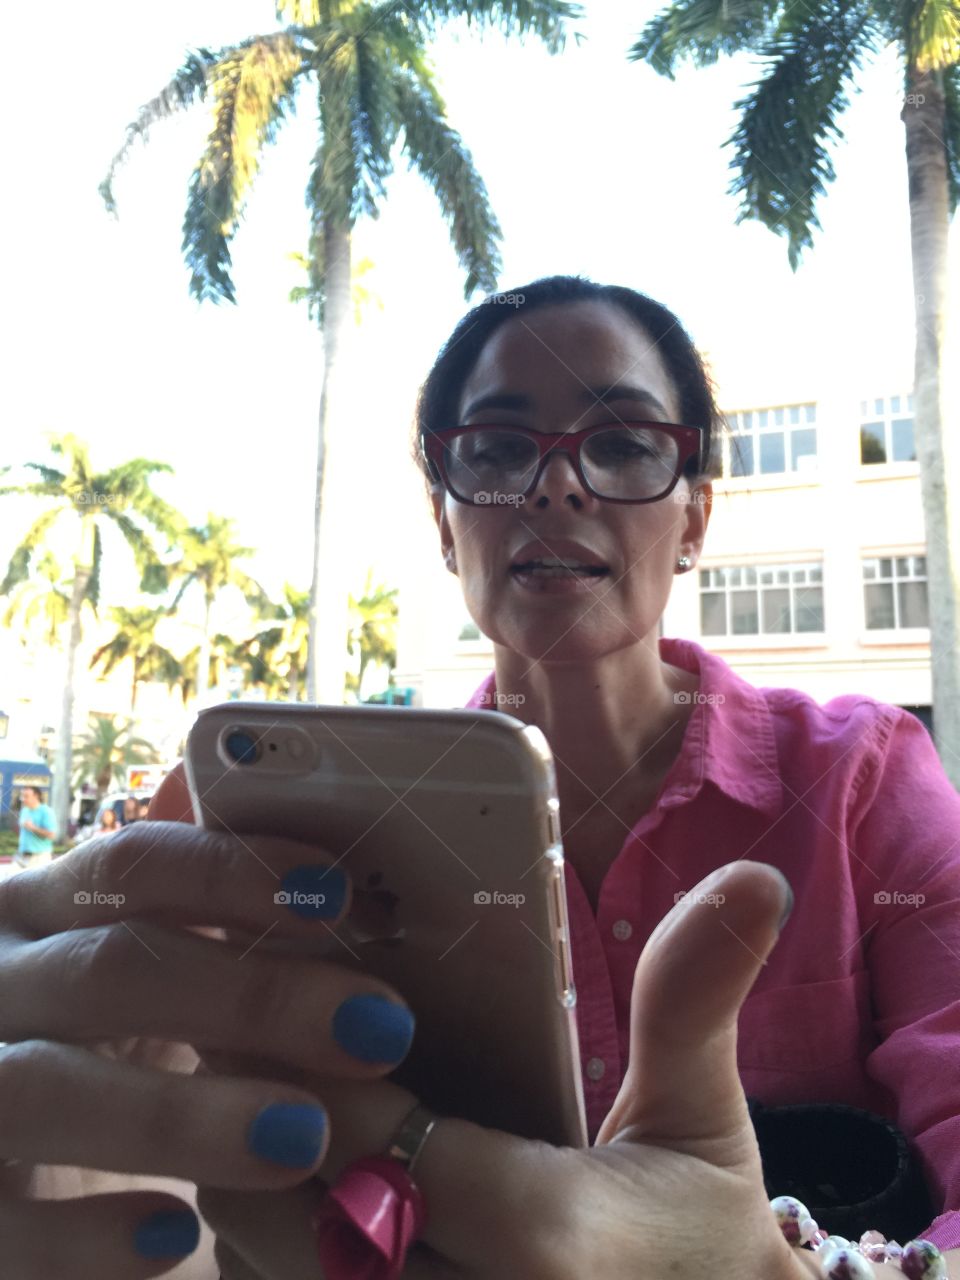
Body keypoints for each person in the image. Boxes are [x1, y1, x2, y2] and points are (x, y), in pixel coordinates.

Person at [0, 276, 957, 1280]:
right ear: (448, 522)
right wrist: (89, 1170)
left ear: (694, 519)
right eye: (498, 449)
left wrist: (804, 1270)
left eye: (624, 441)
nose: (556, 485)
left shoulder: (861, 778)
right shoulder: (322, 835)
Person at [14, 784, 56, 871]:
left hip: (39, 857)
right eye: (22, 796)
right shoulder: (25, 810)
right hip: (22, 855)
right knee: (10, 881)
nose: (23, 799)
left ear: (36, 796)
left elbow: (52, 835)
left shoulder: (46, 811)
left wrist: (33, 828)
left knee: (35, 884)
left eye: (26, 796)